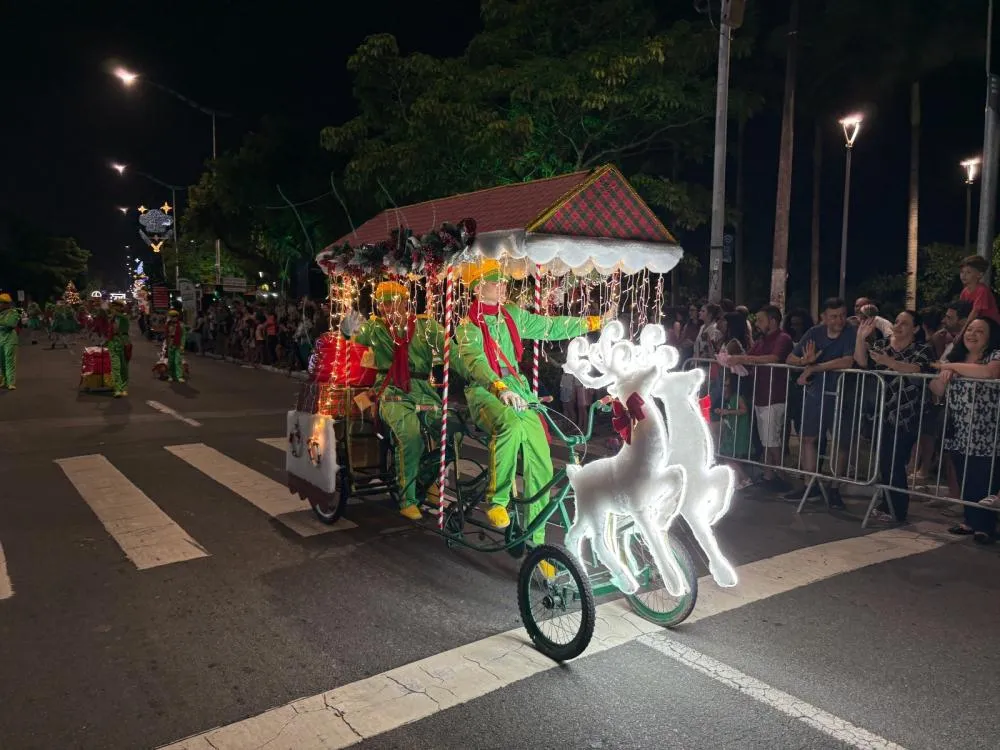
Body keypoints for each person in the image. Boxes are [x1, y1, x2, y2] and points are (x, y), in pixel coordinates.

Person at [455, 258, 605, 552]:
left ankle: (537, 543)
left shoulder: (511, 314)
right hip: (486, 392)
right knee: (510, 426)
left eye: (502, 280)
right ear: (477, 288)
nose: (502, 286)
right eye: (494, 281)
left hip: (518, 390)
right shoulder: (468, 327)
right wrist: (498, 388)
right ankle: (497, 500)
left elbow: (549, 326)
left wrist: (589, 323)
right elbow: (476, 362)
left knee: (542, 465)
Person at [352, 281, 455, 520]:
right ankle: (407, 498)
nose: (389, 309)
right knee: (410, 436)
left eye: (394, 303)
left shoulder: (427, 325)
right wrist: (350, 326)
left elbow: (453, 352)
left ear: (405, 302)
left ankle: (426, 478)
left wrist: (480, 376)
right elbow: (353, 336)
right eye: (384, 304)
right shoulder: (374, 328)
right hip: (390, 392)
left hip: (423, 390)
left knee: (452, 430)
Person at [854, 310, 933, 523]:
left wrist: (889, 362)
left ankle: (897, 508)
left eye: (904, 324)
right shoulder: (882, 346)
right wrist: (861, 338)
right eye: (896, 322)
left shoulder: (922, 349)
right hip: (882, 412)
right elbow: (862, 362)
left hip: (908, 414)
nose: (898, 327)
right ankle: (886, 503)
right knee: (884, 460)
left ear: (915, 329)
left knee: (896, 460)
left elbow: (916, 368)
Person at [929, 317, 1000, 544]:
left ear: (989, 337)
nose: (972, 334)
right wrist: (944, 375)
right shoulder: (955, 357)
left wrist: (949, 367)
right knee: (964, 474)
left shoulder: (995, 356)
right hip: (958, 427)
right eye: (970, 329)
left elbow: (989, 373)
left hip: (987, 430)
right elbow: (935, 388)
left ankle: (985, 526)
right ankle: (970, 520)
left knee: (984, 477)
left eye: (980, 331)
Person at [785, 298, 858, 507]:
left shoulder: (850, 332)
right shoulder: (814, 333)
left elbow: (848, 360)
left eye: (842, 315)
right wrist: (803, 362)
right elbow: (791, 358)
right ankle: (810, 484)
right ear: (824, 318)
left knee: (841, 442)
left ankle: (835, 488)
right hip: (816, 393)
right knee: (809, 438)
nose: (839, 320)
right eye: (834, 316)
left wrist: (816, 367)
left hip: (842, 393)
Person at [728, 304, 794, 489]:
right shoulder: (761, 340)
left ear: (772, 321)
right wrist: (736, 359)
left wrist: (743, 359)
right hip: (761, 394)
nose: (757, 324)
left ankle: (781, 477)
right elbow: (749, 356)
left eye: (761, 320)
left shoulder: (783, 338)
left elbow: (773, 358)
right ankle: (769, 475)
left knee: (772, 440)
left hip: (774, 395)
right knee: (766, 439)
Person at [714, 373, 752, 489]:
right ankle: (739, 480)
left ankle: (744, 478)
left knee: (729, 457)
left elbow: (743, 410)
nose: (724, 388)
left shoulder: (737, 397)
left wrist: (727, 412)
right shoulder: (730, 398)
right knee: (730, 457)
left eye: (727, 386)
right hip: (733, 429)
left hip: (739, 430)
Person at [958, 255, 1000, 325]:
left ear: (979, 275)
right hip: (977, 324)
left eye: (968, 272)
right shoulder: (964, 292)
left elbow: (974, 313)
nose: (963, 275)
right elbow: (960, 310)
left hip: (991, 325)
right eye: (962, 272)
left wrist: (961, 333)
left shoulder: (982, 290)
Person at [107, 300, 131, 398]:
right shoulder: (112, 318)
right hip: (113, 343)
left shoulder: (125, 317)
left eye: (117, 307)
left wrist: (114, 313)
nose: (114, 308)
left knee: (124, 367)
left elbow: (123, 317)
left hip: (124, 342)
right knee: (115, 367)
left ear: (121, 308)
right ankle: (117, 389)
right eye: (113, 306)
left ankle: (124, 388)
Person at [0, 293, 19, 390]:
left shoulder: (13, 312)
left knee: (9, 361)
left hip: (10, 340)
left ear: (6, 303)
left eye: (1, 303)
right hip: (0, 339)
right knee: (1, 362)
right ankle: (4, 381)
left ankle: (11, 382)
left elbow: (11, 324)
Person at [164, 309, 186, 383]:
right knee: (171, 361)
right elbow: (166, 336)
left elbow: (183, 336)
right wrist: (166, 345)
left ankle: (179, 376)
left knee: (178, 361)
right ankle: (171, 375)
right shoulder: (167, 325)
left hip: (178, 344)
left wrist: (182, 345)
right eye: (172, 316)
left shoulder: (181, 325)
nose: (173, 318)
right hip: (170, 343)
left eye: (175, 316)